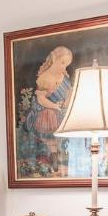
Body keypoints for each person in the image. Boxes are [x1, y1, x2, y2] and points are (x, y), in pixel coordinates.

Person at [19, 45, 73, 173]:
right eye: (62, 63)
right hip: (48, 110)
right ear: (54, 59)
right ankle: (53, 156)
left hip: (62, 109)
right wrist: (55, 106)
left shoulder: (64, 76)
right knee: (50, 132)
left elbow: (68, 93)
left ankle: (60, 155)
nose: (64, 67)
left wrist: (66, 103)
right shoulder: (45, 78)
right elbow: (41, 100)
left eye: (66, 64)